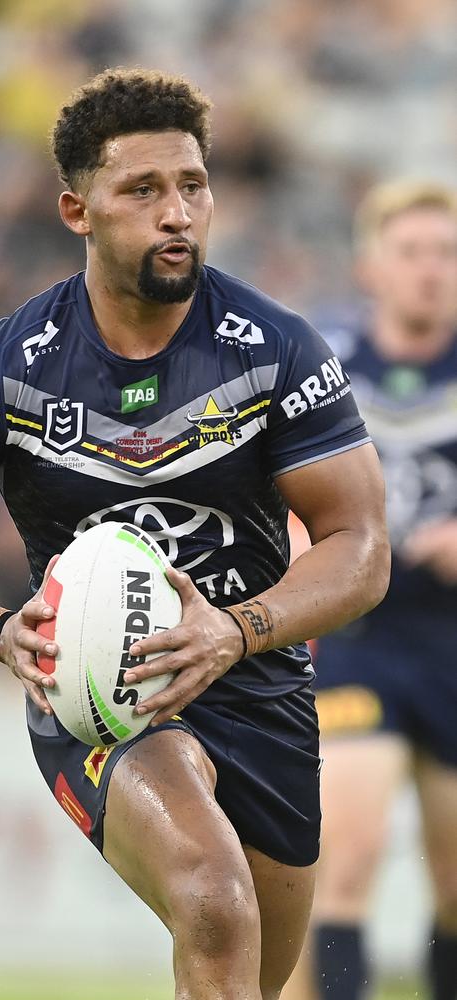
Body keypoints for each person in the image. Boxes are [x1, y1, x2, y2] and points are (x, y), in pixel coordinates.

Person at [0, 69, 389, 1000]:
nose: (177, 212)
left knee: (250, 978)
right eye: (142, 190)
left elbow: (359, 544)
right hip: (103, 701)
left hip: (258, 684)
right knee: (215, 903)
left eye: (192, 185)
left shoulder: (278, 351)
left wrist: (238, 628)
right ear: (78, 210)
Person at [287, 181, 457, 1000]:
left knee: (454, 889)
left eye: (447, 253)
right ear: (372, 266)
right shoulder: (323, 365)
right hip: (360, 634)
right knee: (345, 856)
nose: (432, 270)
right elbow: (273, 482)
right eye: (413, 252)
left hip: (453, 640)